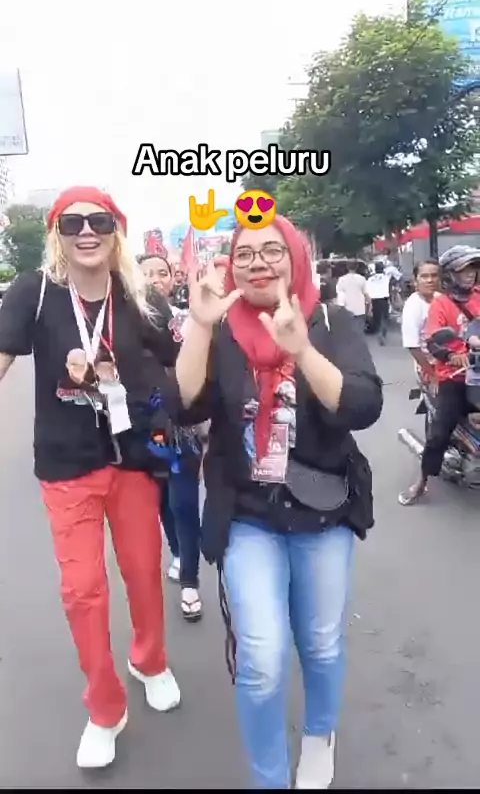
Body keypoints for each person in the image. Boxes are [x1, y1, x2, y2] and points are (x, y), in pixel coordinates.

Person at [170, 217, 383, 789]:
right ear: (230, 265)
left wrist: (302, 350)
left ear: (295, 258)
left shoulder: (329, 320)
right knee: (262, 657)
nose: (258, 262)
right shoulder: (220, 329)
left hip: (322, 507)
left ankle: (319, 734)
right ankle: (268, 779)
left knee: (320, 642)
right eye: (245, 254)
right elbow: (182, 405)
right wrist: (199, 325)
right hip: (247, 513)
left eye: (272, 250)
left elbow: (362, 406)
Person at [0, 187, 181, 769]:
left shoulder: (138, 296)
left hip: (132, 458)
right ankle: (105, 708)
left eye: (98, 221)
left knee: (143, 573)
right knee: (82, 590)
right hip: (66, 464)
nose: (86, 231)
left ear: (115, 231)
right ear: (57, 233)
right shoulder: (34, 293)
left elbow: (182, 361)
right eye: (72, 222)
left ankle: (149, 661)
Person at [139, 252, 203, 620]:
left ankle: (190, 582)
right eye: (146, 273)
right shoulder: (123, 323)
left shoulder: (188, 320)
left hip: (182, 428)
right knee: (162, 501)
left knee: (184, 503)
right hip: (144, 428)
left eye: (161, 273)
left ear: (172, 279)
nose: (154, 279)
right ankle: (178, 553)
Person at [399, 245, 480, 506]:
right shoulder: (441, 304)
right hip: (455, 375)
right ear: (451, 273)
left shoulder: (479, 296)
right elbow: (433, 341)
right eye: (464, 269)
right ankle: (422, 482)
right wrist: (451, 355)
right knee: (439, 433)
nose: (470, 273)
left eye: (473, 268)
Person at [401, 259, 440, 384]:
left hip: (447, 364)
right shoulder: (413, 305)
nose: (430, 280)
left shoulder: (441, 298)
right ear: (415, 280)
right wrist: (431, 375)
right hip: (429, 367)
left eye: (434, 275)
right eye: (424, 276)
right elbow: (413, 346)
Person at [336, 261, 371, 331]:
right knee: (360, 331)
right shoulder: (362, 279)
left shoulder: (342, 279)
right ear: (357, 267)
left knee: (347, 331)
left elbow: (339, 295)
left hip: (346, 310)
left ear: (347, 267)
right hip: (360, 309)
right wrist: (368, 309)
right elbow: (366, 295)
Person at [366, 261, 391, 344]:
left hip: (374, 300)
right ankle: (382, 333)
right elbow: (389, 289)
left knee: (376, 318)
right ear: (383, 269)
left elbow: (367, 291)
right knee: (384, 317)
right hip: (384, 299)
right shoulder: (386, 278)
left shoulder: (370, 279)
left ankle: (378, 331)